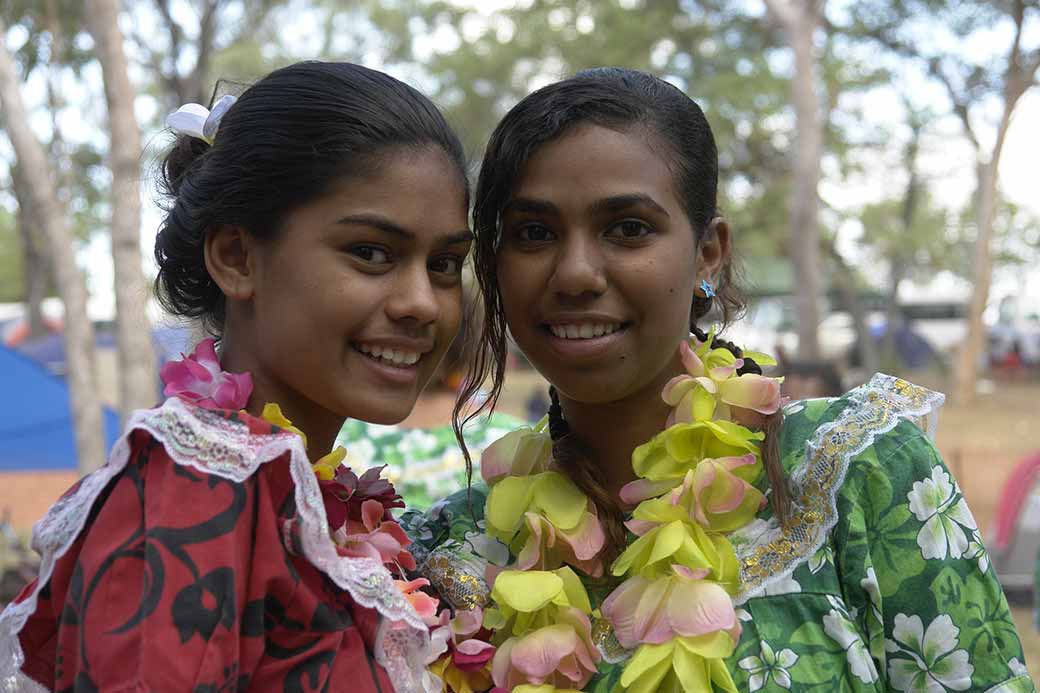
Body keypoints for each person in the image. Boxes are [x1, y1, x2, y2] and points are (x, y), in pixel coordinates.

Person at [402, 68, 1034, 692]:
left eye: (628, 228)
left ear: (709, 251)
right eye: (533, 233)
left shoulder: (857, 473)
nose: (575, 274)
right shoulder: (454, 553)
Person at [0, 61, 472, 693]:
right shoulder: (192, 492)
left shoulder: (292, 494)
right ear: (236, 257)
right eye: (370, 252)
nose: (422, 301)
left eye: (444, 263)